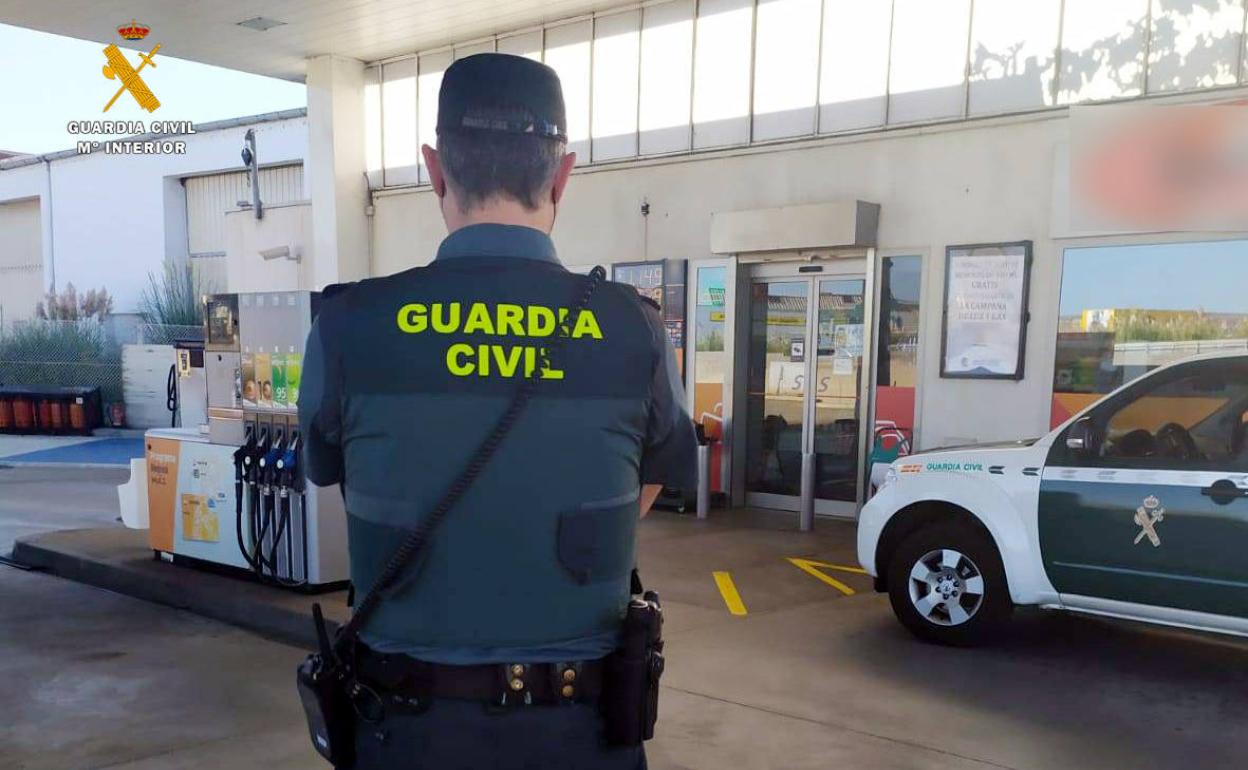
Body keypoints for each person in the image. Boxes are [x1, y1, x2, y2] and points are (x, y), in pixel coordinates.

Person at [298, 53, 697, 769]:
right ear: (562, 175)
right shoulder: (633, 329)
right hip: (582, 738)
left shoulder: (348, 325)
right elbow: (649, 478)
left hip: (405, 734)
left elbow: (337, 475)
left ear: (434, 169)